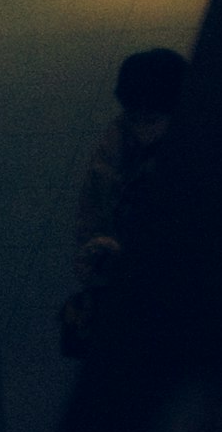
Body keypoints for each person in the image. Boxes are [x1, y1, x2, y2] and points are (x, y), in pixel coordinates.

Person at [62, 46, 187, 360]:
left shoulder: (198, 150)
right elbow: (91, 215)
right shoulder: (116, 145)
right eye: (135, 117)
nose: (142, 130)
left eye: (153, 118)